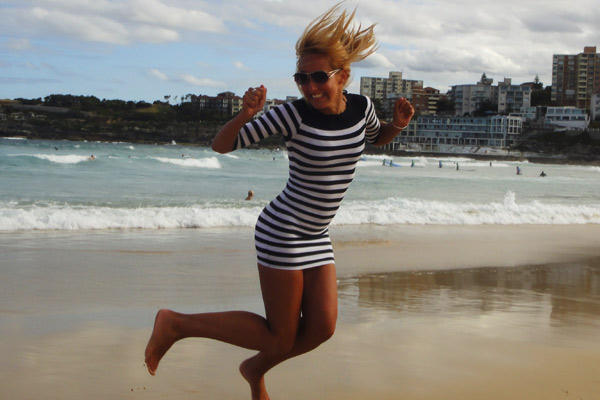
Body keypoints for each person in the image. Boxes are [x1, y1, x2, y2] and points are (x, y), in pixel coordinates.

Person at [144, 4, 414, 400]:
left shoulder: (362, 108)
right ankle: (175, 324)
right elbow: (222, 145)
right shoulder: (292, 115)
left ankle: (254, 369)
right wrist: (245, 115)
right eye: (302, 78)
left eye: (319, 77)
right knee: (280, 335)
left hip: (317, 234)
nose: (310, 87)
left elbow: (375, 139)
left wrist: (398, 126)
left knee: (322, 328)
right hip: (283, 231)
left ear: (343, 76)